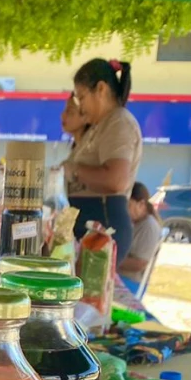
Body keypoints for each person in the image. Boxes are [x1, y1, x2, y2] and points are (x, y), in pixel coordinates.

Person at [62, 58, 143, 260]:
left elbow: (116, 181)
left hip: (104, 224)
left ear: (101, 89)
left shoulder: (119, 122)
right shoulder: (100, 126)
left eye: (82, 97)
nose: (81, 108)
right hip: (88, 225)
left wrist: (74, 170)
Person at [118, 182, 162, 294]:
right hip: (120, 277)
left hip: (130, 282)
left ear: (141, 204)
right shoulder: (134, 223)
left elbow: (139, 264)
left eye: (128, 206)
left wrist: (111, 259)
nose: (124, 211)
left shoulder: (149, 226)